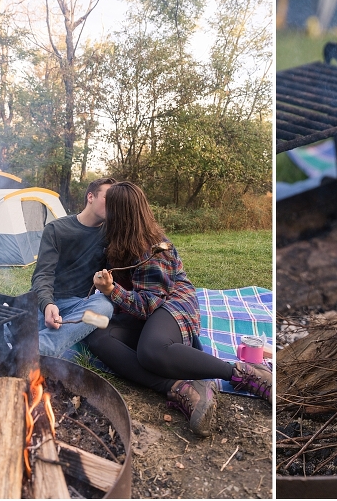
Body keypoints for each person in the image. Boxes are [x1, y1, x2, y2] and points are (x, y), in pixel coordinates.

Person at [85, 181, 271, 438]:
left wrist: (111, 291)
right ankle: (182, 388)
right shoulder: (112, 241)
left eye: (109, 205)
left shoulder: (154, 248)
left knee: (151, 350)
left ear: (121, 213)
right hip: (136, 313)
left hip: (172, 303)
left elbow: (149, 305)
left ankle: (243, 373)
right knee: (96, 333)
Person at [31, 177, 117, 357]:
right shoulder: (56, 229)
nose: (113, 206)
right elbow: (42, 275)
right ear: (91, 197)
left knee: (105, 309)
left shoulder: (111, 234)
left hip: (80, 305)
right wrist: (47, 304)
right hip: (49, 301)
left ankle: (37, 349)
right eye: (108, 199)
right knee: (7, 327)